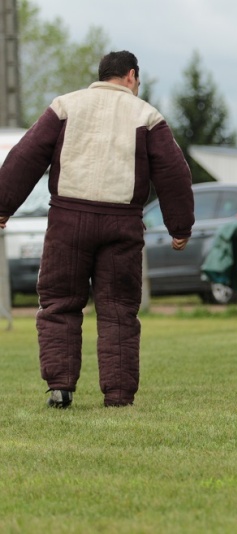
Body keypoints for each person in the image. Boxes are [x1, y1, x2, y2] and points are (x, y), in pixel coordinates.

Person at [0, 51, 194, 408]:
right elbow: (174, 173)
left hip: (67, 220)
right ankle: (119, 396)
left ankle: (60, 388)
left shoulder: (65, 106)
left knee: (59, 303)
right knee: (119, 309)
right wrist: (179, 226)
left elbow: (27, 155)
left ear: (102, 75)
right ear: (132, 76)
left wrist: (2, 206)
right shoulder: (147, 116)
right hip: (122, 223)